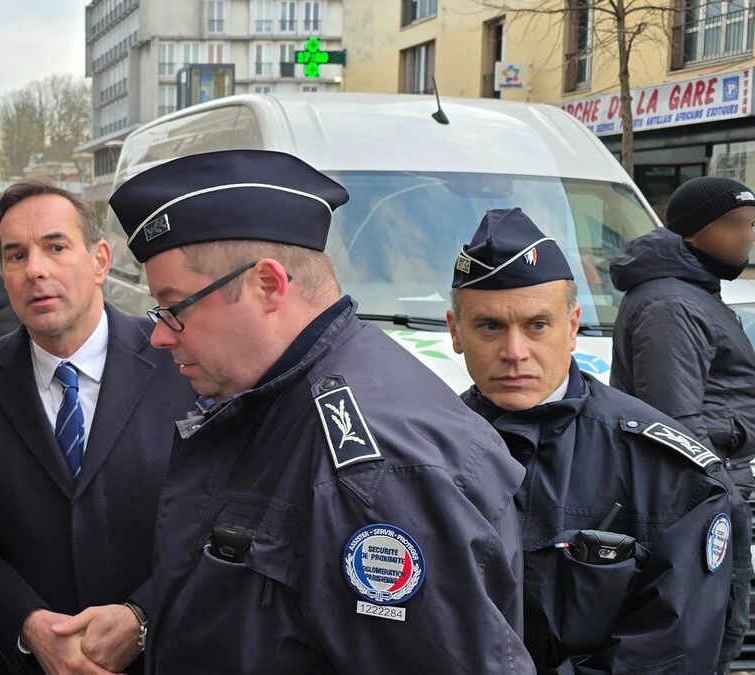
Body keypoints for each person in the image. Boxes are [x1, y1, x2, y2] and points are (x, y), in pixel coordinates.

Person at [109, 149, 530, 673]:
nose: (157, 335)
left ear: (268, 285)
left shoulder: (376, 468)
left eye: (173, 309)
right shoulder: (280, 397)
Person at [448, 208, 734, 672]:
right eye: (490, 326)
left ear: (573, 325)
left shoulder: (668, 469)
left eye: (537, 325)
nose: (515, 352)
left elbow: (671, 649)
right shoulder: (422, 450)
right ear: (455, 331)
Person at [0, 178, 194, 675]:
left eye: (56, 247)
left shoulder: (182, 364)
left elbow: (219, 518)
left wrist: (142, 616)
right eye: (15, 256)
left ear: (100, 260)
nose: (35, 270)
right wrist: (31, 626)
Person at [609, 176, 755, 673]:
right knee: (704, 643)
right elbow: (674, 429)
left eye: (750, 224)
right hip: (702, 505)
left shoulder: (694, 293)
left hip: (718, 493)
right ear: (693, 233)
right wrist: (729, 481)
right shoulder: (672, 305)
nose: (746, 236)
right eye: (733, 224)